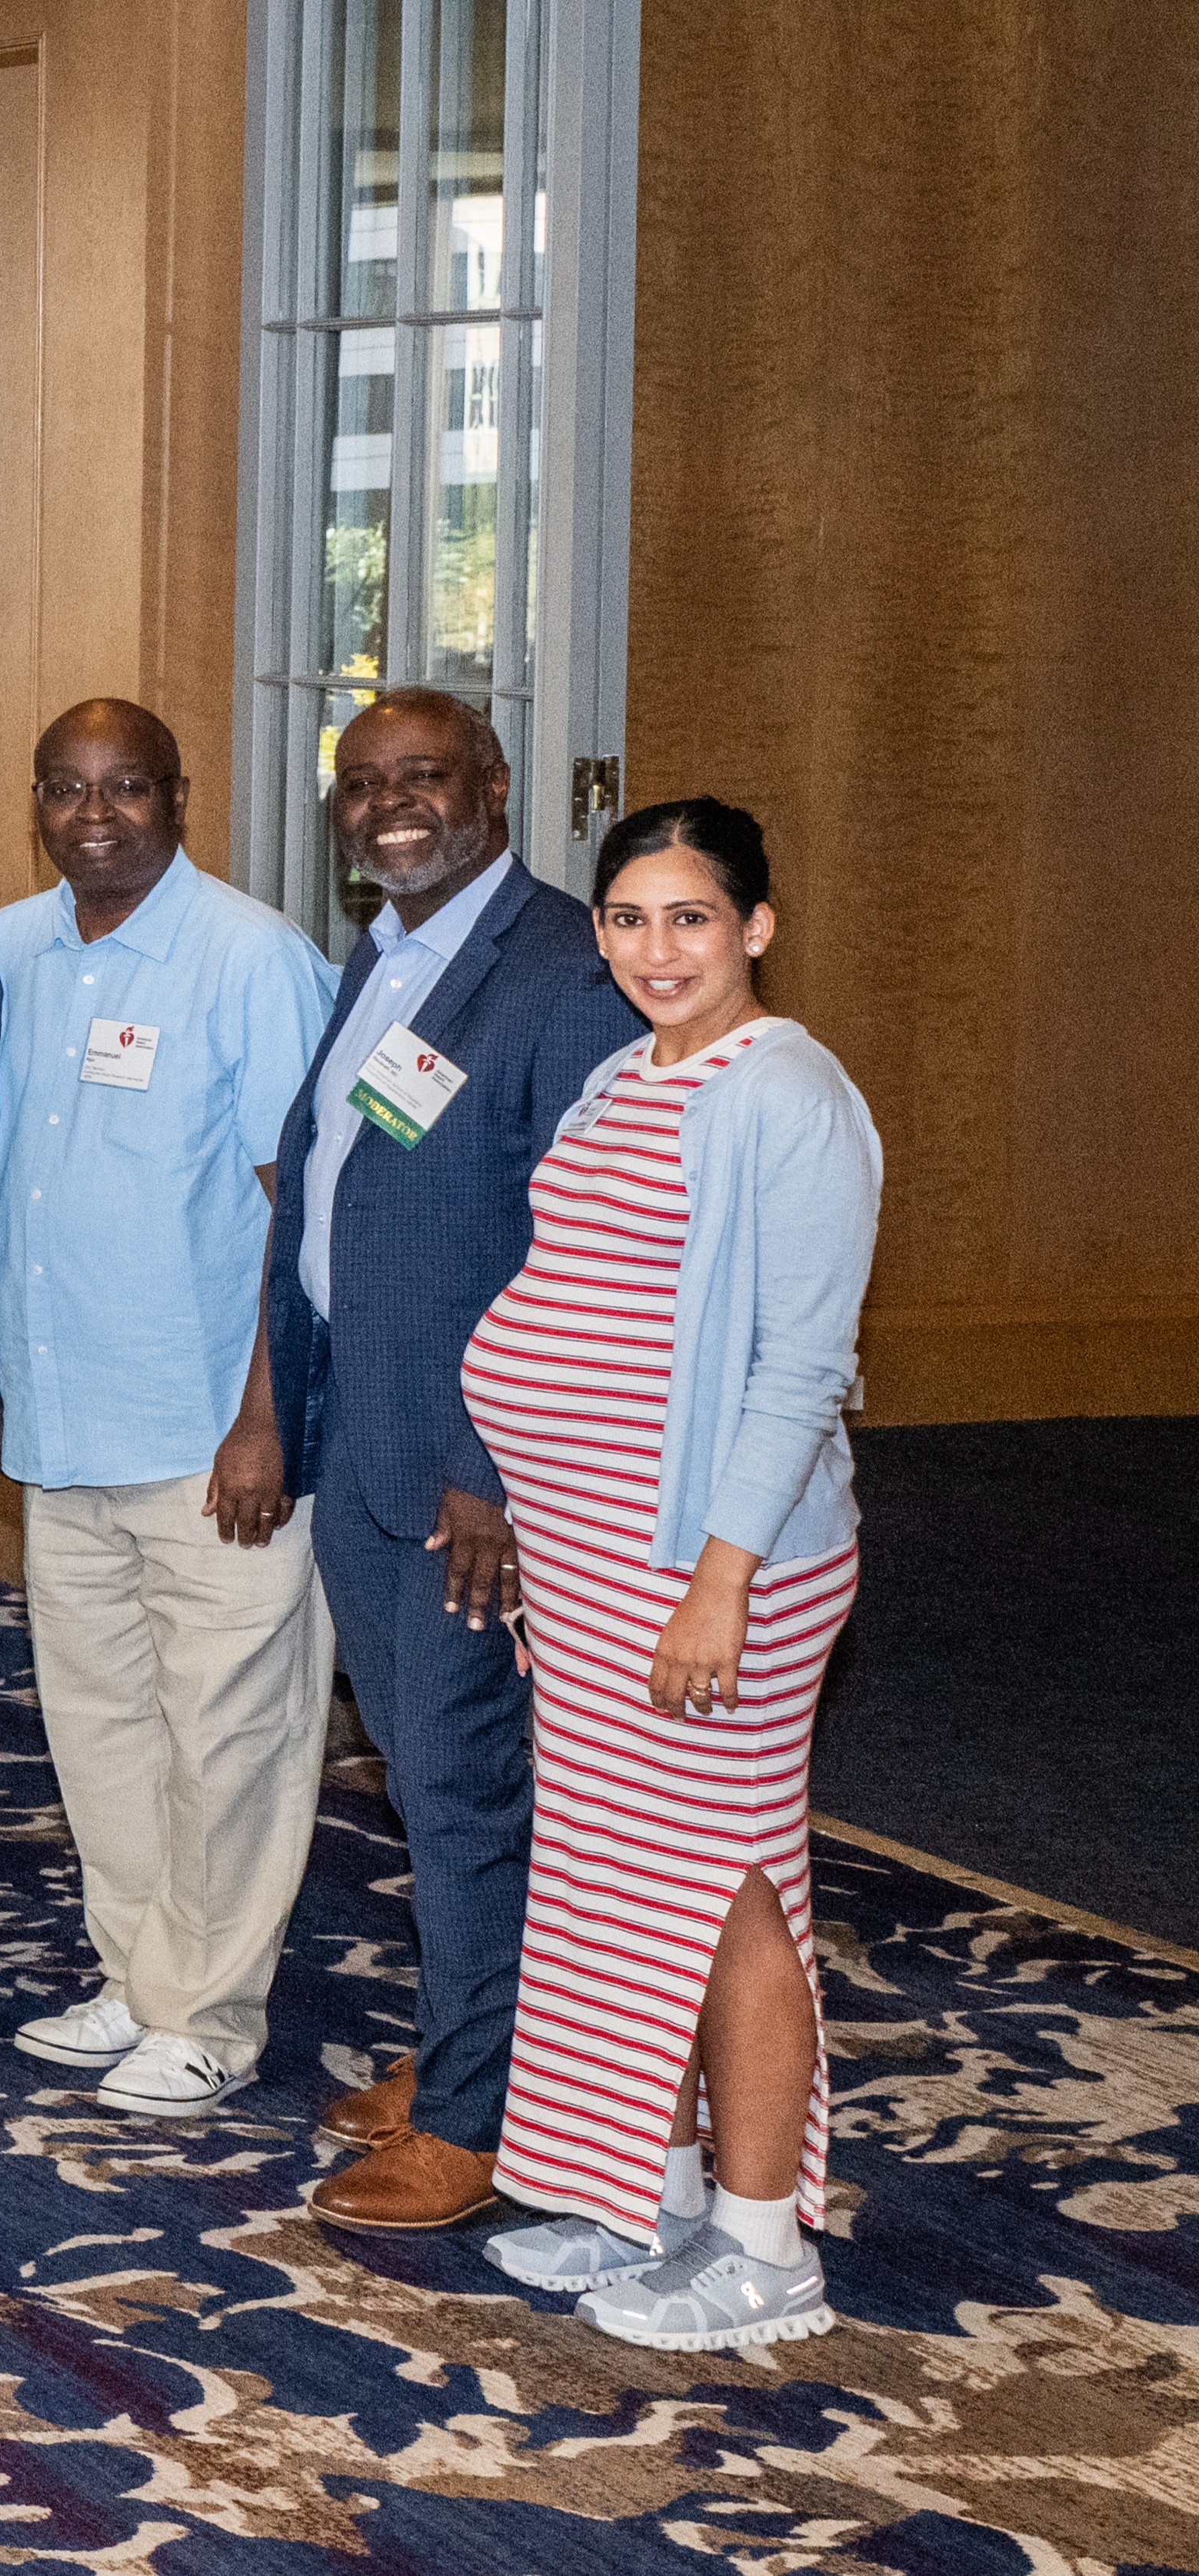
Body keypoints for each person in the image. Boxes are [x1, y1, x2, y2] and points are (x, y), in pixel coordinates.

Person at [468, 799, 878, 2355]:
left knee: (725, 1885)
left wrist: (720, 1581)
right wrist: (544, 1539)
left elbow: (798, 1368)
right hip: (593, 1560)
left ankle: (764, 2250)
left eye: (691, 917)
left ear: (756, 926)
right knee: (617, 1884)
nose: (658, 948)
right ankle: (652, 2192)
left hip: (714, 1562)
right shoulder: (622, 1076)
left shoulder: (790, 1093)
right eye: (629, 918)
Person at [271, 687, 648, 2232]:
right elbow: (335, 1186)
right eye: (362, 786)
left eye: (422, 776)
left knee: (465, 1788)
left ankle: (480, 2121)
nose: (390, 807)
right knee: (431, 1788)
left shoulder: (562, 973)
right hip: (368, 1443)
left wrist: (494, 1470)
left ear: (494, 784)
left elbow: (583, 1257)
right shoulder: (388, 953)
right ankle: (471, 2049)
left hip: (470, 1484)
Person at [0, 701, 334, 2118]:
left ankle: (211, 2014)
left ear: (178, 797)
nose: (96, 814)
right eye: (67, 788)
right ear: (36, 805)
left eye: (127, 786)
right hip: (63, 1424)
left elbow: (301, 1219)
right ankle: (136, 1977)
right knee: (101, 1725)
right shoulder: (9, 951)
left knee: (231, 1734)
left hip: (212, 1437)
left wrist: (268, 1420)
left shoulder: (249, 957)